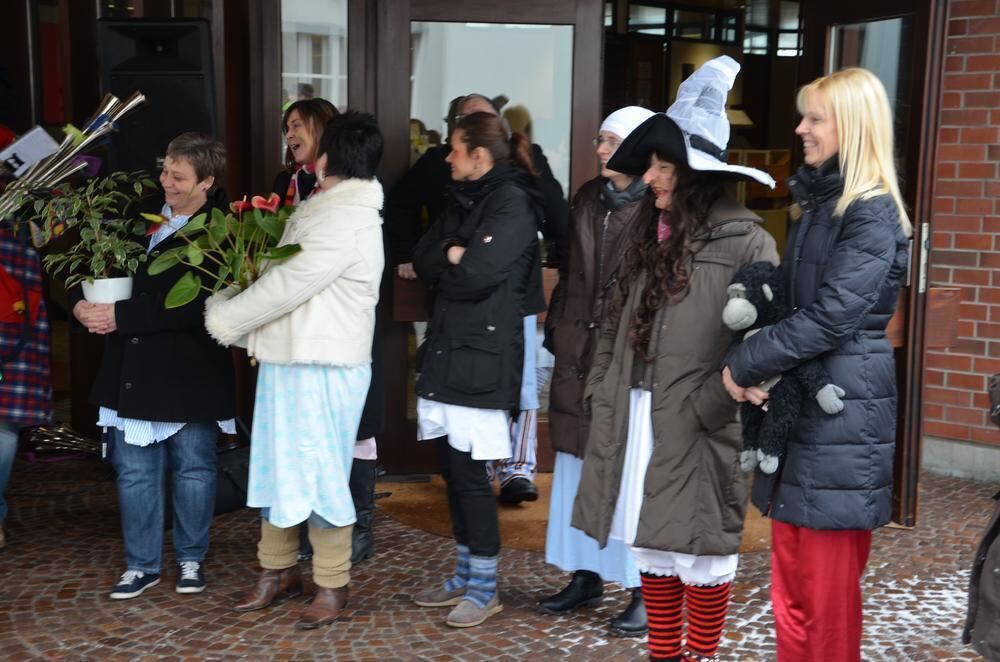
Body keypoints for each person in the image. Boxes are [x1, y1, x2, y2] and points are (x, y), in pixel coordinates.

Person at [571, 56, 779, 662]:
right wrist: (601, 388)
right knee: (653, 548)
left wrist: (713, 400)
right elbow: (612, 322)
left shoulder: (747, 239)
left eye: (664, 166)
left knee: (701, 551)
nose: (653, 178)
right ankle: (666, 655)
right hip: (635, 416)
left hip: (698, 420)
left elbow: (763, 344)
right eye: (653, 164)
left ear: (696, 174)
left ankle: (700, 656)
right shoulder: (647, 231)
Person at [722, 67, 911, 662]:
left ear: (850, 127)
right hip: (810, 410)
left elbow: (831, 318)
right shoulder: (821, 207)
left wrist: (745, 365)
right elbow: (790, 300)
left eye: (814, 118)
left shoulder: (870, 212)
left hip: (843, 418)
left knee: (824, 605)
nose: (800, 128)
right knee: (794, 591)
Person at [205, 111, 384, 630]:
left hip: (325, 366)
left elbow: (291, 283)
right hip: (291, 359)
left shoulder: (345, 216)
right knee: (275, 466)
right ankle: (277, 570)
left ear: (332, 156)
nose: (301, 144)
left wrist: (226, 316)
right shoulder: (322, 204)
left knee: (321, 473)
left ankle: (332, 581)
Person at [72, 133, 235, 599]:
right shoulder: (135, 217)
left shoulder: (222, 229)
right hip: (132, 367)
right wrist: (81, 307)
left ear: (206, 181)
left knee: (194, 469)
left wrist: (119, 316)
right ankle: (141, 565)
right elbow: (90, 264)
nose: (164, 181)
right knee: (135, 471)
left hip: (190, 368)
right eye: (164, 170)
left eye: (177, 176)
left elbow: (196, 304)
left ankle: (190, 559)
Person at [410, 111, 544, 628]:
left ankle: (486, 587)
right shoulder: (462, 198)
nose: (447, 158)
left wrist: (455, 261)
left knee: (470, 477)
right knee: (452, 469)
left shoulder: (512, 203)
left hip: (483, 358)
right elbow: (426, 259)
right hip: (449, 350)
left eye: (455, 149)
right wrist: (452, 253)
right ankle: (466, 574)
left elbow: (477, 275)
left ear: (480, 156)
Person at [539, 105, 654, 637]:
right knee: (574, 465)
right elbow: (570, 272)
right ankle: (584, 573)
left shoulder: (657, 205)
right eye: (600, 140)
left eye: (611, 141)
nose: (601, 149)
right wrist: (557, 328)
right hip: (576, 347)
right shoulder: (587, 196)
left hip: (625, 355)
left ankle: (641, 587)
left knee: (625, 471)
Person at [270, 98, 382, 565]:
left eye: (298, 125)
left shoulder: (356, 186)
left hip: (340, 325)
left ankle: (358, 525)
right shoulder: (285, 185)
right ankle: (300, 530)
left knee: (353, 428)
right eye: (286, 128)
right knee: (302, 431)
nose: (290, 135)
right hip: (296, 329)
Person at [0, 223, 54, 550]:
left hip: (13, 324)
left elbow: (60, 221)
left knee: (3, 426)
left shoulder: (28, 202)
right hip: (16, 324)